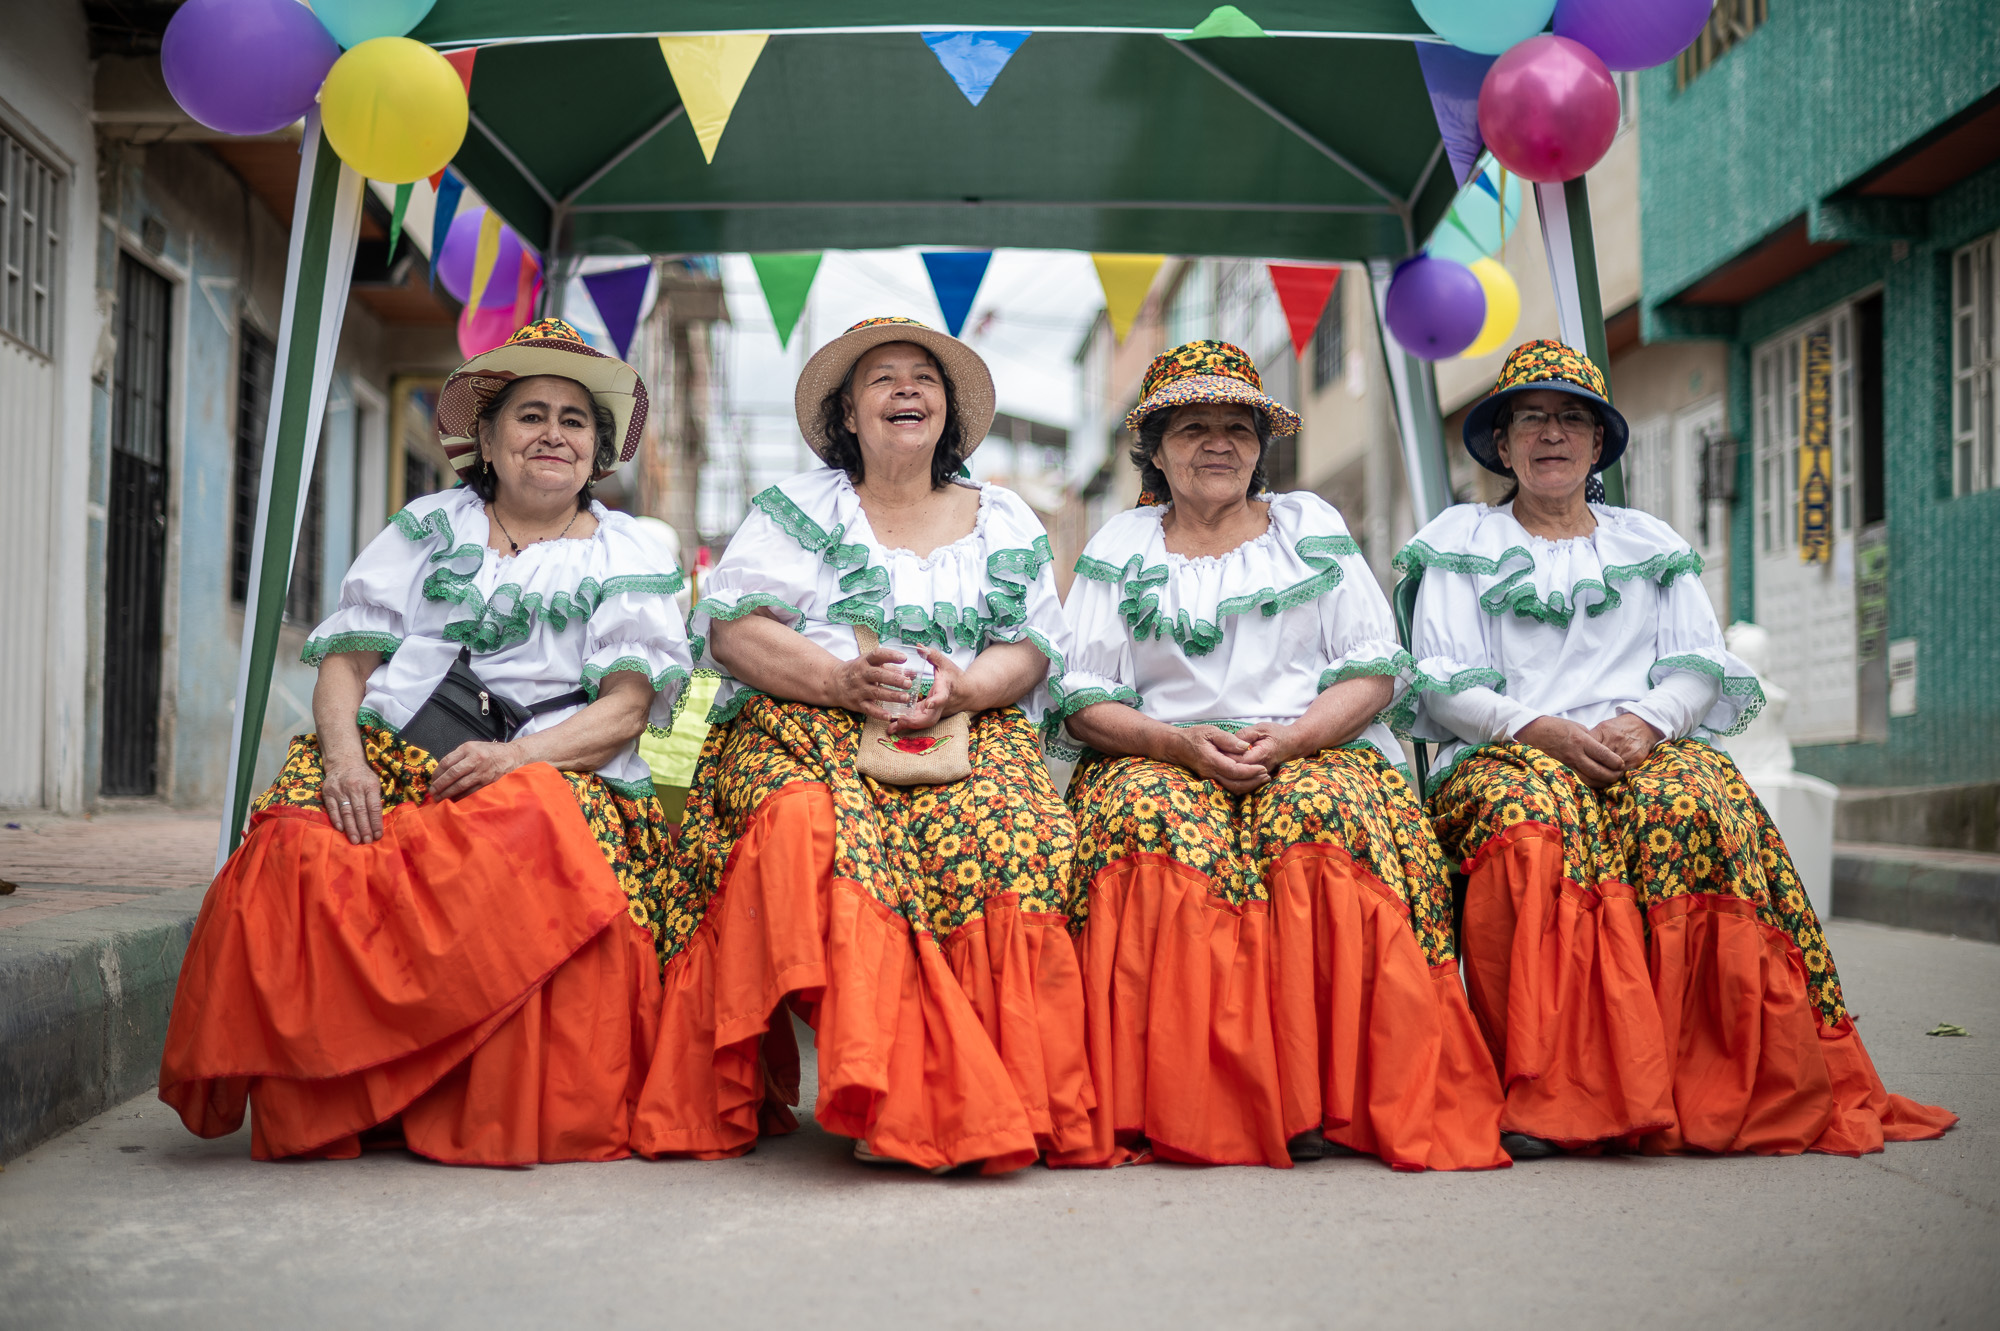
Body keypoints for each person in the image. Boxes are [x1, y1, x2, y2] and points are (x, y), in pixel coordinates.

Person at [1399, 338, 1955, 1157]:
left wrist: (1650, 721)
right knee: (1532, 821)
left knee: (1696, 802)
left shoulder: (1646, 541)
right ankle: (1554, 1084)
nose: (1551, 434)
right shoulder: (1460, 542)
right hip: (1508, 747)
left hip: (1638, 742)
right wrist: (1535, 729)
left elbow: (1701, 662)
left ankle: (1707, 1082)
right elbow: (1439, 680)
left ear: (1596, 445)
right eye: (1530, 419)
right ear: (1504, 443)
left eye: (1571, 419)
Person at [159, 319, 693, 1165]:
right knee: (295, 845)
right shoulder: (427, 527)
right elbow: (345, 664)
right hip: (393, 748)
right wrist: (344, 762)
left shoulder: (628, 551)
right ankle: (333, 1099)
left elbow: (626, 709)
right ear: (486, 436)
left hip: (553, 767)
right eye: (530, 414)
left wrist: (514, 757)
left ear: (597, 451)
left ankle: (424, 1089)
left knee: (519, 823)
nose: (553, 433)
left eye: (574, 419)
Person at [632, 317, 1088, 1174]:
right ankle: (878, 1085)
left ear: (948, 411)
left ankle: (1000, 1093)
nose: (905, 389)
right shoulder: (797, 510)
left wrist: (966, 687)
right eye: (881, 379)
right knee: (817, 824)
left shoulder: (1006, 518)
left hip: (966, 728)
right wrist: (839, 681)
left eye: (924, 377)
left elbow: (1032, 647)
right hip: (804, 721)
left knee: (1015, 836)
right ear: (847, 414)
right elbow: (730, 632)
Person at [1052, 340, 1506, 1171]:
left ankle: (1323, 1100)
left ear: (1264, 444)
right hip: (1159, 750)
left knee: (1321, 816)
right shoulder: (1122, 542)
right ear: (1154, 447)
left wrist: (1294, 738)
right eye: (1192, 426)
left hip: (1311, 740)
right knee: (1145, 824)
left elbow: (1372, 669)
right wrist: (1176, 745)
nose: (1217, 442)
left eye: (1238, 424)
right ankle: (1186, 1097)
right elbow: (1084, 700)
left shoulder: (1309, 525)